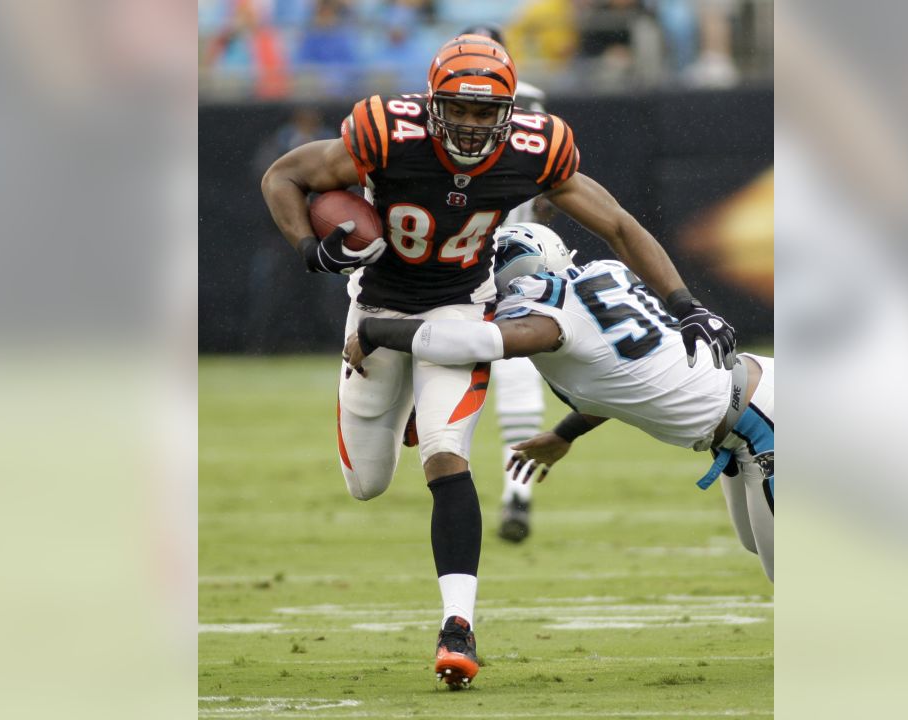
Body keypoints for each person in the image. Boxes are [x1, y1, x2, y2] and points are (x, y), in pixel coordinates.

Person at [261, 34, 737, 689]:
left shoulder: (537, 149)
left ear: (510, 112)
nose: (473, 124)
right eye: (459, 108)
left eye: (488, 113)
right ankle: (404, 406)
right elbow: (281, 175)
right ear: (430, 104)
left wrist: (685, 303)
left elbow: (620, 225)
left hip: (462, 302)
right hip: (375, 297)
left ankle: (457, 629)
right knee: (366, 483)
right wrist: (310, 250)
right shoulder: (383, 134)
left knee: (446, 455)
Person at [343, 223, 774, 582]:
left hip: (763, 423)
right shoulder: (603, 274)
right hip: (747, 412)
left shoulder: (549, 317)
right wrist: (566, 433)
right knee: (754, 542)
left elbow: (479, 341)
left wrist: (375, 332)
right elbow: (623, 382)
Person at [460, 23, 553, 544]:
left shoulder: (530, 105)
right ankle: (500, 491)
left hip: (502, 248)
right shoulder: (424, 107)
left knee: (515, 370)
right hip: (456, 252)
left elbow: (555, 186)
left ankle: (516, 493)